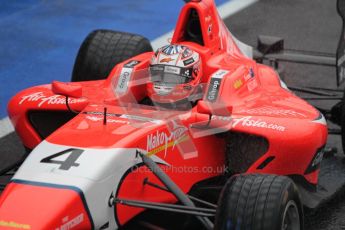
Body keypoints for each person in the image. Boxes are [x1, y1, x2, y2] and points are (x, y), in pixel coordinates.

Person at [145, 44, 203, 110]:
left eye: (172, 78)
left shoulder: (206, 102)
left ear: (195, 74)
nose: (163, 84)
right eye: (158, 76)